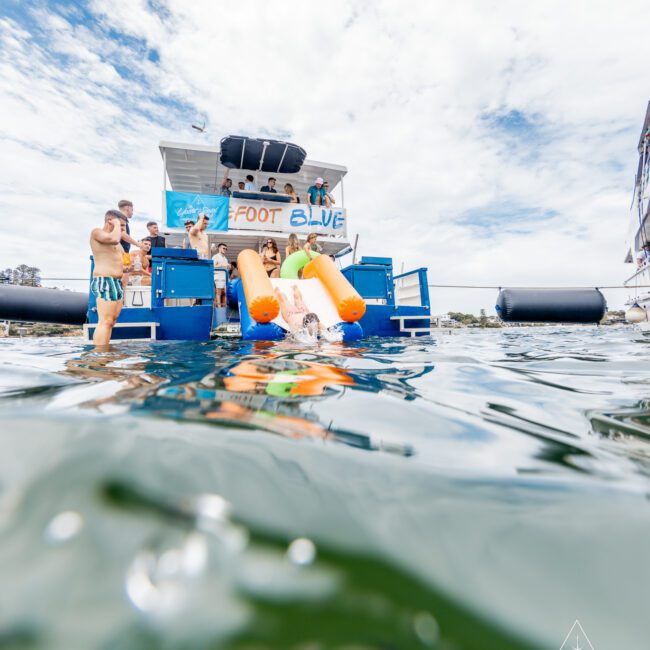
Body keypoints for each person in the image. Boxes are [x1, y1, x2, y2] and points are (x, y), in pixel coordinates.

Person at [89, 210, 127, 347]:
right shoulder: (97, 232)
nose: (122, 230)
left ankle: (104, 349)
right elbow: (114, 239)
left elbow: (120, 257)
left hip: (116, 282)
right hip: (104, 280)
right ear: (110, 220)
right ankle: (99, 355)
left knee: (112, 321)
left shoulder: (117, 242)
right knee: (105, 321)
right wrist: (117, 225)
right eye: (121, 226)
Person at [212, 242, 231, 308]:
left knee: (225, 294)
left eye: (226, 249)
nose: (225, 249)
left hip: (225, 278)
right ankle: (219, 310)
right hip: (218, 278)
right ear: (219, 248)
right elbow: (213, 266)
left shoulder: (225, 258)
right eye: (223, 248)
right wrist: (223, 265)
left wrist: (228, 267)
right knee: (218, 294)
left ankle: (224, 311)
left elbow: (225, 268)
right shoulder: (215, 256)